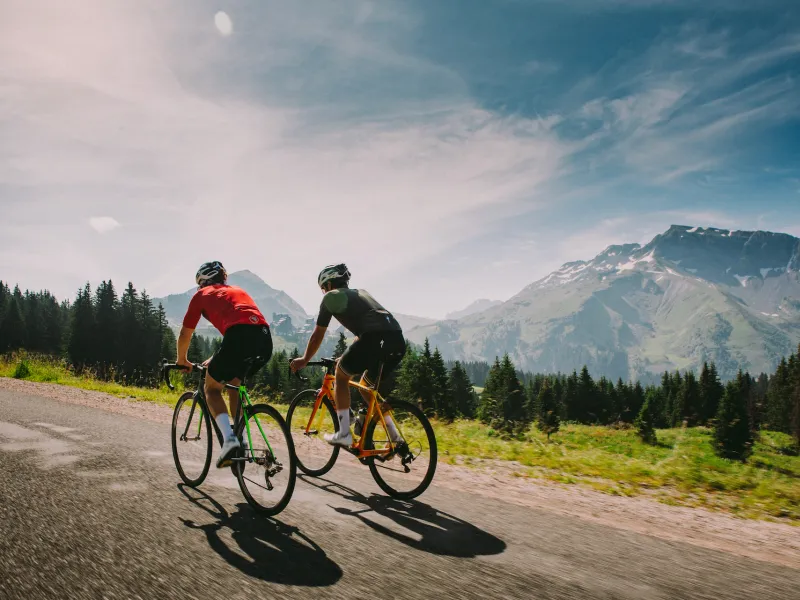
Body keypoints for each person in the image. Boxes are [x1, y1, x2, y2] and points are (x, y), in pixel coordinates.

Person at [290, 263, 405, 446]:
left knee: (341, 376)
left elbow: (317, 334)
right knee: (366, 388)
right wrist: (346, 356)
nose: (323, 291)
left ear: (328, 284)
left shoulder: (330, 297)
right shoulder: (362, 293)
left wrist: (304, 359)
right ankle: (396, 438)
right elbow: (370, 329)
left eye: (322, 288)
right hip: (397, 340)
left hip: (374, 339)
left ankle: (344, 432)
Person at [176, 261, 272, 468]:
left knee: (211, 389)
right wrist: (217, 357)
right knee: (233, 382)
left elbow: (185, 333)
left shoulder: (202, 295)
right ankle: (240, 437)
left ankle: (230, 442)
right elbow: (241, 329)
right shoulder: (237, 290)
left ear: (202, 282)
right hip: (265, 339)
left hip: (238, 338)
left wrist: (182, 360)